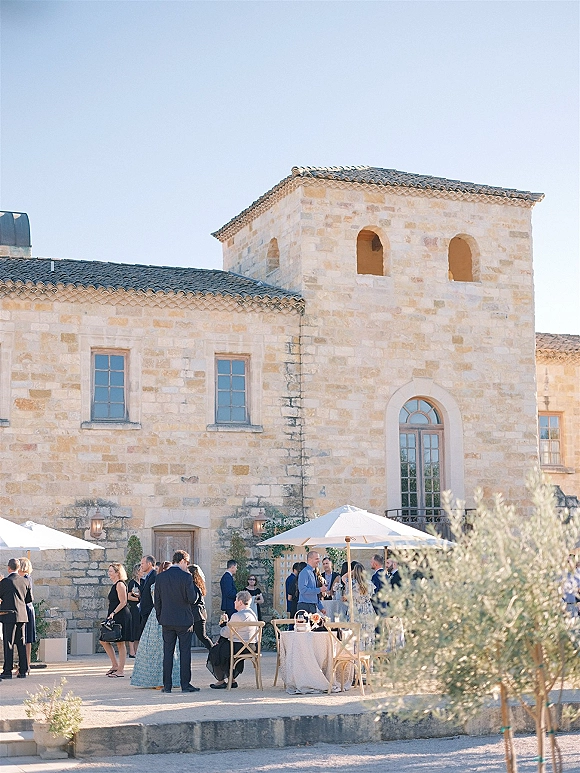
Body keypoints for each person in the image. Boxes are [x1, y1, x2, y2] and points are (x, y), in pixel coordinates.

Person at [154, 550, 200, 693]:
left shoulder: (160, 577)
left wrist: (160, 617)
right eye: (187, 563)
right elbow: (192, 599)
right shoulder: (186, 577)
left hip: (166, 620)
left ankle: (167, 686)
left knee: (167, 653)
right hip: (184, 620)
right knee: (185, 653)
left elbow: (157, 601)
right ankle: (185, 685)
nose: (187, 566)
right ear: (182, 561)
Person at [131, 561, 181, 689]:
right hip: (159, 616)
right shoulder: (157, 584)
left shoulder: (164, 584)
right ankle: (157, 680)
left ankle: (167, 679)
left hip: (162, 615)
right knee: (157, 649)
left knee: (167, 649)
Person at [206, 590, 258, 689]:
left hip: (240, 646)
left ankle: (221, 680)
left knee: (216, 650)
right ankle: (231, 679)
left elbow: (226, 633)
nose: (234, 602)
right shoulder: (252, 614)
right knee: (224, 646)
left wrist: (224, 624)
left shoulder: (237, 615)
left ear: (240, 602)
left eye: (235, 600)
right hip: (252, 646)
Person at [0, 558, 32, 680]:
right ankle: (23, 670)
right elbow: (29, 599)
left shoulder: (5, 582)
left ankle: (7, 670)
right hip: (22, 615)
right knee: (21, 642)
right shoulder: (25, 581)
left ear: (9, 568)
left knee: (9, 642)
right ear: (19, 568)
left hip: (8, 615)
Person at [99, 562, 132, 678]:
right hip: (114, 614)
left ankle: (121, 670)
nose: (109, 574)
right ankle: (114, 665)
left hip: (120, 615)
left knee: (120, 642)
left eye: (111, 571)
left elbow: (123, 602)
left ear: (117, 573)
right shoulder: (115, 585)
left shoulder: (120, 584)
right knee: (103, 640)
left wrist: (113, 613)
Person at [343, 563, 375, 651]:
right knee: (368, 635)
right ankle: (368, 659)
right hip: (368, 610)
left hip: (356, 610)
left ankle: (356, 657)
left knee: (355, 634)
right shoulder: (369, 583)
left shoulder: (351, 584)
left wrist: (351, 572)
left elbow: (343, 578)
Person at [188, 564, 214, 650]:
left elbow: (193, 600)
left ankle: (214, 652)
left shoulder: (194, 586)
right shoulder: (195, 585)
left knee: (202, 636)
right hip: (195, 615)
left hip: (197, 615)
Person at [17, 557, 36, 674]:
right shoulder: (26, 578)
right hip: (27, 608)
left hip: (25, 609)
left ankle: (26, 665)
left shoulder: (25, 579)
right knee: (25, 639)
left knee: (26, 638)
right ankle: (25, 664)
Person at [297, 551, 327, 615]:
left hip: (312, 606)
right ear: (309, 559)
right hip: (305, 606)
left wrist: (321, 607)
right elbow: (302, 590)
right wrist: (320, 589)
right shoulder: (304, 572)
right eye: (316, 559)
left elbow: (314, 593)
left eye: (319, 559)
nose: (319, 561)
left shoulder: (313, 573)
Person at [138, 555, 157, 637]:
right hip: (145, 611)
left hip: (150, 612)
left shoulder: (154, 576)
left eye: (142, 563)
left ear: (149, 564)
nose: (141, 565)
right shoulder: (147, 576)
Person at [127, 563, 142, 657]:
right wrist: (139, 599)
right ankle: (132, 651)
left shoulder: (144, 581)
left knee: (139, 630)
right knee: (133, 629)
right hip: (134, 609)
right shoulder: (132, 583)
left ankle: (137, 651)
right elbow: (128, 596)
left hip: (142, 609)